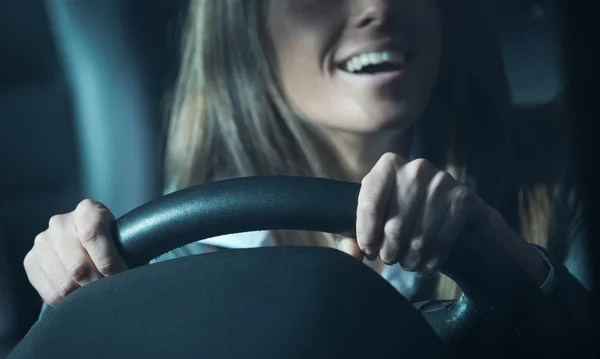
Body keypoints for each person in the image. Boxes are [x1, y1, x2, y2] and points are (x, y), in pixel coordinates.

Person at [24, 0, 590, 331]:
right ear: (245, 27)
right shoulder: (177, 253)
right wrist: (79, 299)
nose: (377, 7)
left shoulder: (568, 165)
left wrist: (504, 255)